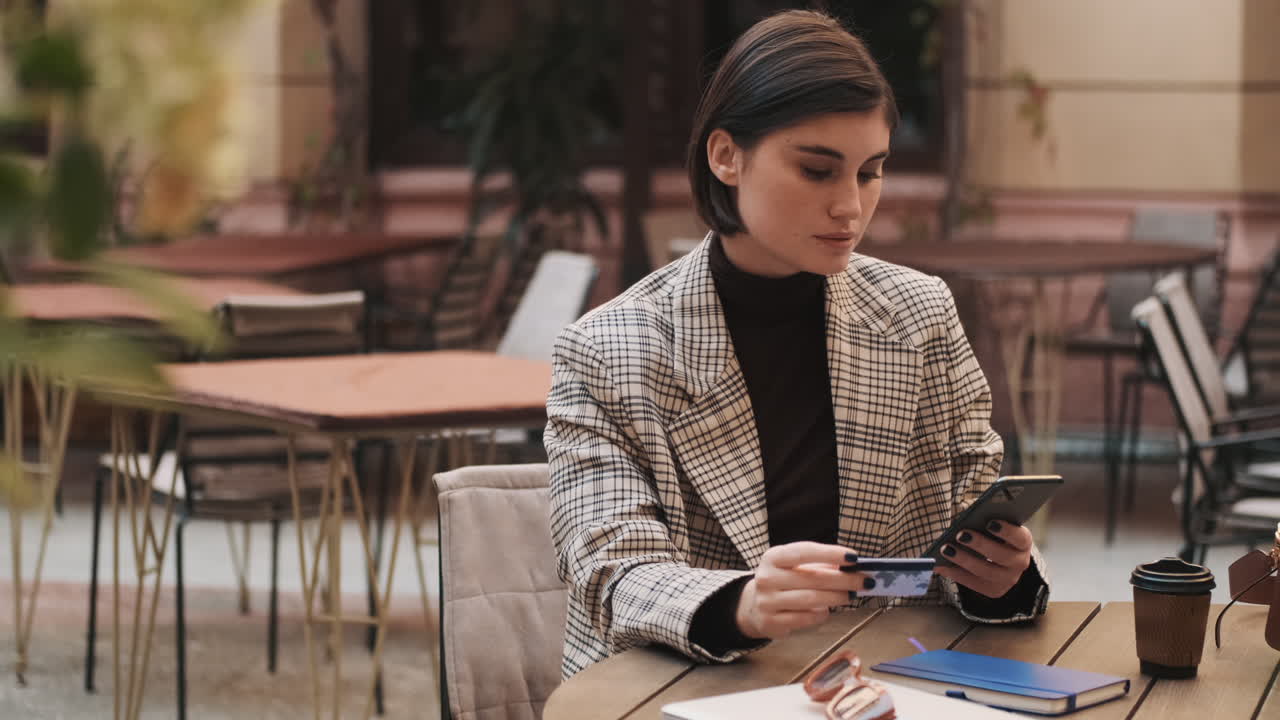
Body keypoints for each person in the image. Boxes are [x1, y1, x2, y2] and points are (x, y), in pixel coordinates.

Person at [544, 9, 1049, 680]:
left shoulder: (917, 314)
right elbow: (610, 571)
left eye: (870, 172)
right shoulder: (607, 350)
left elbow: (966, 516)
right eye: (818, 172)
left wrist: (1003, 574)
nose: (851, 206)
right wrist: (743, 604)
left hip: (889, 683)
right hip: (686, 689)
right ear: (726, 155)